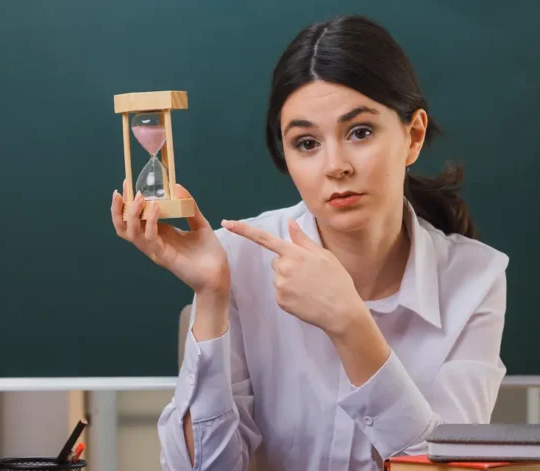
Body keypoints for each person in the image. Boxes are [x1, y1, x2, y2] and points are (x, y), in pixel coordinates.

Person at [110, 14, 509, 471]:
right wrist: (212, 294)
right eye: (305, 143)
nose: (335, 165)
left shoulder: (476, 278)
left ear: (413, 135)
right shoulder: (239, 257)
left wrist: (350, 325)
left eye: (360, 132)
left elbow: (449, 469)